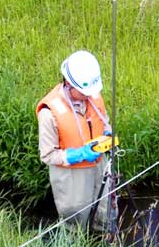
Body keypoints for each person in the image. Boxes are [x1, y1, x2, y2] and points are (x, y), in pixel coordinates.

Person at [36, 50, 116, 231]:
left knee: (105, 209)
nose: (89, 96)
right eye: (83, 92)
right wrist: (78, 155)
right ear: (69, 84)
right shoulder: (49, 113)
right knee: (76, 219)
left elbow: (105, 121)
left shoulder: (93, 95)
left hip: (99, 166)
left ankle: (105, 241)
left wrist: (108, 134)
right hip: (72, 177)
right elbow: (48, 155)